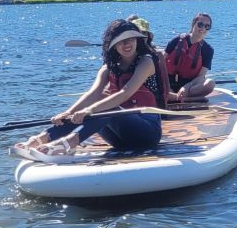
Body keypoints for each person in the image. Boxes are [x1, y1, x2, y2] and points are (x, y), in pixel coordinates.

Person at [11, 19, 165, 161]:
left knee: (105, 106)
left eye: (130, 39)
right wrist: (68, 113)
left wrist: (89, 110)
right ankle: (43, 137)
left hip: (147, 132)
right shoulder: (107, 68)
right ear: (113, 46)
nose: (126, 44)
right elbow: (93, 93)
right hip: (117, 138)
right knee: (97, 104)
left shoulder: (146, 62)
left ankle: (69, 143)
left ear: (137, 40)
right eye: (121, 42)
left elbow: (125, 92)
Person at [165, 13, 216, 100]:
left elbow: (201, 76)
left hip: (189, 87)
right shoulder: (176, 40)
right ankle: (176, 96)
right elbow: (160, 63)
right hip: (168, 82)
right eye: (200, 24)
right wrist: (167, 86)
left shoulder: (208, 50)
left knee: (210, 84)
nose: (203, 28)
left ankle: (176, 97)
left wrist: (186, 87)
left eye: (207, 26)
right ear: (193, 24)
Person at [129, 16, 177, 104]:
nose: (142, 36)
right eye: (138, 33)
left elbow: (165, 85)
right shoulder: (125, 56)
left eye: (144, 33)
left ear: (148, 36)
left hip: (151, 103)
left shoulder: (156, 55)